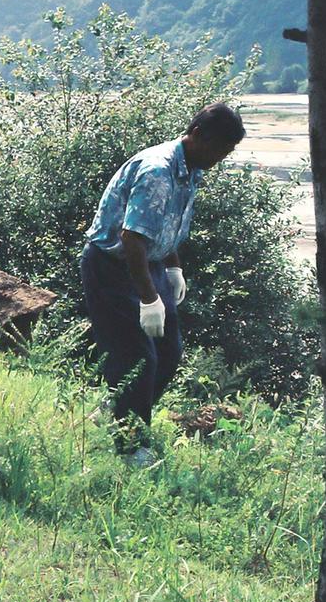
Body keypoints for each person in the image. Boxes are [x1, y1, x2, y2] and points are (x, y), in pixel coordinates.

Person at [80, 102, 244, 465]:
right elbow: (132, 238)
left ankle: (118, 411)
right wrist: (149, 299)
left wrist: (173, 269)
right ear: (198, 134)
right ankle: (130, 447)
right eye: (219, 148)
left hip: (149, 264)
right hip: (113, 267)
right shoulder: (157, 170)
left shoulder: (191, 168)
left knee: (169, 354)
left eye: (227, 152)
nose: (220, 158)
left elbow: (165, 227)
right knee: (137, 358)